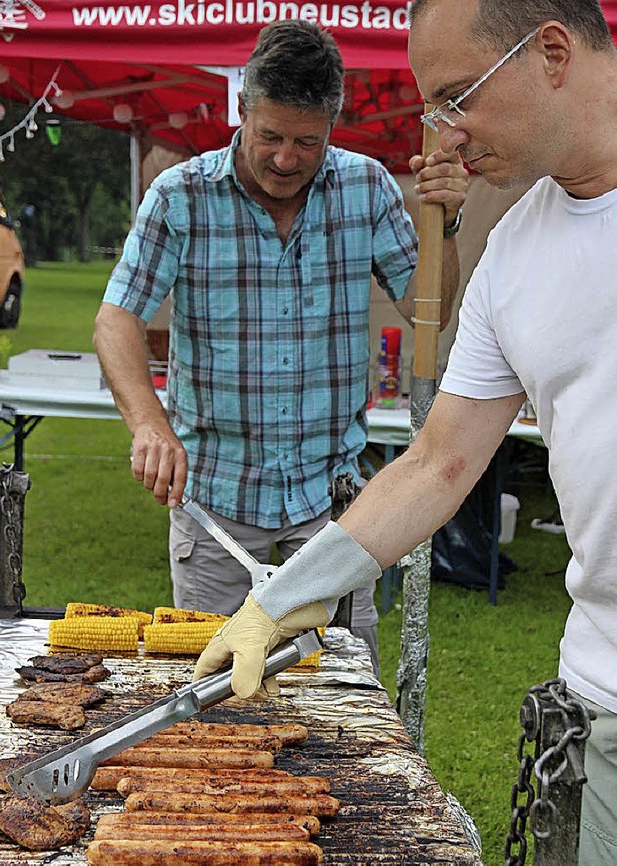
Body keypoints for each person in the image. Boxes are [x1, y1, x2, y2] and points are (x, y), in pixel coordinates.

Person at [194, 2, 617, 863]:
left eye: (459, 97)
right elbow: (437, 461)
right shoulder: (514, 253)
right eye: (435, 107)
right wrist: (280, 597)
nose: (447, 138)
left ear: (553, 53)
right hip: (601, 688)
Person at [94, 19, 468, 678]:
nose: (287, 159)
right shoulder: (181, 196)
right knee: (216, 700)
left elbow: (425, 309)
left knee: (340, 700)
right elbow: (116, 318)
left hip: (335, 509)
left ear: (332, 126)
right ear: (242, 111)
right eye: (270, 136)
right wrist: (149, 425)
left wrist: (449, 224)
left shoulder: (367, 187)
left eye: (307, 142)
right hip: (217, 511)